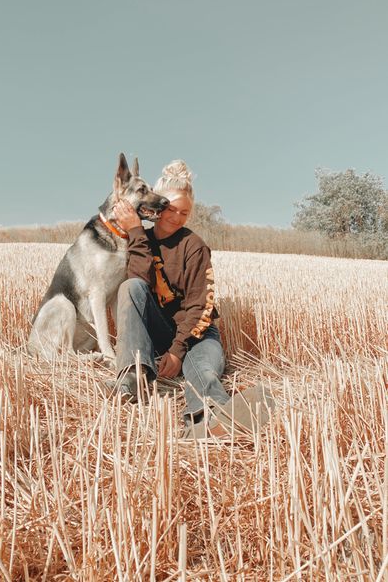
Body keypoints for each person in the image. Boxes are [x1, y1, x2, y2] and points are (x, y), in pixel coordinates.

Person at [110, 160, 273, 438]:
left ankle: (212, 419)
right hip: (158, 330)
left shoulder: (194, 246)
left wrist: (177, 350)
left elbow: (201, 306)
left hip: (196, 334)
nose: (176, 217)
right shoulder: (139, 239)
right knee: (129, 288)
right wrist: (137, 231)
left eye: (184, 213)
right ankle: (133, 380)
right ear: (157, 207)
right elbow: (137, 283)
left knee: (202, 369)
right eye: (170, 209)